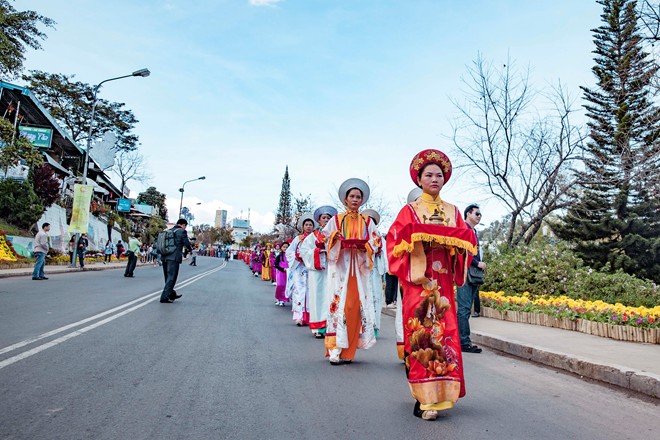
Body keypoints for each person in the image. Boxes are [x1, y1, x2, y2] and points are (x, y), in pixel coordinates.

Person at [386, 149, 477, 421]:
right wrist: (418, 243)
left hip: (445, 283)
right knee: (421, 334)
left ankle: (444, 394)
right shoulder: (409, 211)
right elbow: (393, 245)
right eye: (429, 175)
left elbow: (467, 245)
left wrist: (456, 247)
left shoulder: (453, 211)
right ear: (419, 179)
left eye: (439, 175)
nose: (434, 179)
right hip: (420, 283)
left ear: (444, 179)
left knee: (446, 334)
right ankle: (425, 399)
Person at [323, 178, 377, 365]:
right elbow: (324, 239)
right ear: (345, 199)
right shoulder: (336, 220)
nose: (355, 200)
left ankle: (349, 350)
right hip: (341, 269)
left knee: (354, 308)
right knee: (339, 306)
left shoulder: (367, 221)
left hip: (358, 270)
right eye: (352, 196)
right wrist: (334, 238)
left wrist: (366, 247)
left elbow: (376, 242)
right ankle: (334, 349)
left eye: (358, 197)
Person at [299, 205, 338, 338]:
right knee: (318, 296)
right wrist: (318, 251)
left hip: (333, 271)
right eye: (324, 218)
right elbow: (304, 252)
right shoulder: (312, 237)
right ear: (319, 220)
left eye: (329, 218)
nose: (326, 220)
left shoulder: (336, 236)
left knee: (332, 297)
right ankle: (319, 327)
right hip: (317, 273)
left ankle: (331, 325)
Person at [456, 203, 486, 352]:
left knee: (466, 309)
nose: (479, 217)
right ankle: (463, 342)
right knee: (464, 309)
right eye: (477, 214)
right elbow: (463, 251)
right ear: (468, 214)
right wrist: (477, 263)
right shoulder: (463, 229)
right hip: (465, 273)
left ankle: (461, 340)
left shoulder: (474, 232)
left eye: (480, 215)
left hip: (473, 274)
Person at [286, 213, 315, 326]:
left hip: (311, 269)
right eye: (306, 224)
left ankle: (310, 316)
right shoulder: (297, 239)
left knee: (310, 292)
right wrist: (297, 257)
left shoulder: (315, 238)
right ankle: (299, 317)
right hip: (299, 268)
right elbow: (289, 252)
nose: (308, 227)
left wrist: (309, 257)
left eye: (310, 225)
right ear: (303, 227)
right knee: (299, 291)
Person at [362, 208, 387, 339]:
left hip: (375, 272)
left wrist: (378, 252)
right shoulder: (359, 235)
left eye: (372, 220)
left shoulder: (380, 239)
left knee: (376, 298)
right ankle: (362, 326)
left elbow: (385, 255)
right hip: (361, 271)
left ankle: (374, 326)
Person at [160, 219, 192, 304]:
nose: (185, 228)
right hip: (174, 258)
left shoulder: (168, 230)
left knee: (167, 277)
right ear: (183, 225)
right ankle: (164, 297)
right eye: (185, 226)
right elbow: (186, 243)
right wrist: (190, 248)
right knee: (172, 277)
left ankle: (171, 294)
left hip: (164, 257)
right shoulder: (182, 231)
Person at [274, 241, 290, 306]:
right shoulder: (279, 256)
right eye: (284, 247)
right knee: (280, 285)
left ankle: (283, 299)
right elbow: (276, 264)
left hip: (288, 273)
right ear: (281, 248)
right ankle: (278, 298)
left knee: (286, 286)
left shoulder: (290, 256)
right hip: (281, 273)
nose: (285, 248)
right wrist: (282, 269)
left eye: (287, 247)